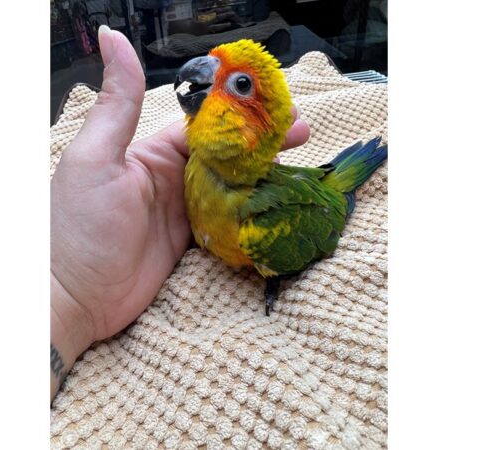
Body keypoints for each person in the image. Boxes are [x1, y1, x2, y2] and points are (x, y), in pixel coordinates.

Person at [50, 25, 311, 401]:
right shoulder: (186, 170)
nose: (205, 71)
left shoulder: (261, 223)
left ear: (261, 126)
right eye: (214, 64)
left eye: (240, 85)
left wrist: (68, 297)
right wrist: (64, 284)